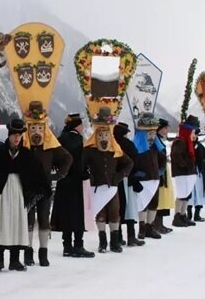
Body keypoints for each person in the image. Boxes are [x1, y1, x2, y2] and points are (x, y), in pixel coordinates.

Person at [0, 118, 49, 272]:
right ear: (9, 135)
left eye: (19, 135)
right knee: (1, 222)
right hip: (3, 192)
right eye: (14, 135)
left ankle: (14, 260)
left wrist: (37, 191)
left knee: (17, 223)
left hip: (19, 193)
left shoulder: (27, 155)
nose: (17, 138)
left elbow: (38, 175)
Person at [23, 101, 72, 266]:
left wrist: (58, 175)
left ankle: (43, 252)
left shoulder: (51, 145)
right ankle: (28, 252)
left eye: (39, 128)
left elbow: (67, 158)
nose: (36, 132)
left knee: (44, 219)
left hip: (44, 189)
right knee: (28, 220)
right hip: (27, 189)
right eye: (33, 128)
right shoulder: (24, 145)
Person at [82, 108, 134, 253]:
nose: (103, 138)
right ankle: (102, 242)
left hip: (112, 187)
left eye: (106, 135)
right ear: (96, 136)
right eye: (101, 135)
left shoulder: (115, 150)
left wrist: (119, 176)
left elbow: (129, 163)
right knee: (100, 214)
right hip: (96, 187)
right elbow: (81, 165)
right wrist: (89, 176)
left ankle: (115, 242)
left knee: (114, 214)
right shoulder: (89, 150)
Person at [51, 113, 94, 257]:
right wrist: (84, 173)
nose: (83, 128)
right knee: (77, 214)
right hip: (76, 181)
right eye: (81, 125)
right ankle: (78, 245)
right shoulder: (77, 139)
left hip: (63, 181)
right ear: (77, 126)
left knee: (66, 214)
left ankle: (67, 246)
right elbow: (80, 161)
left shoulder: (61, 137)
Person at [131, 113, 167, 238]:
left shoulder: (156, 147)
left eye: (153, 134)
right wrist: (137, 173)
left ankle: (149, 227)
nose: (152, 136)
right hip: (143, 180)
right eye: (149, 134)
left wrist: (161, 170)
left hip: (154, 179)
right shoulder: (136, 148)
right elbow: (132, 163)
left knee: (153, 204)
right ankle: (141, 227)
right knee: (143, 204)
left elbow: (163, 159)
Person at [113, 122, 144, 246]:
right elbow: (136, 161)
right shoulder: (128, 144)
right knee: (129, 207)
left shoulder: (112, 143)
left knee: (117, 208)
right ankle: (131, 236)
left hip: (115, 180)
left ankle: (118, 236)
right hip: (128, 179)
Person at [170, 116, 200, 228]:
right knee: (182, 194)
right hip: (182, 173)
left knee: (187, 195)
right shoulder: (180, 142)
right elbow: (176, 155)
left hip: (188, 173)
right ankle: (177, 216)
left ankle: (183, 215)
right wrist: (185, 165)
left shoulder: (187, 142)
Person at [153, 119, 174, 234]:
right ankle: (156, 224)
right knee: (160, 198)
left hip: (164, 170)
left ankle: (159, 223)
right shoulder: (156, 140)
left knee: (163, 197)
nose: (167, 130)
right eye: (165, 128)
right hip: (160, 171)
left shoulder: (159, 140)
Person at [187, 128, 205, 222]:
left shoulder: (199, 146)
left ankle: (197, 214)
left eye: (196, 135)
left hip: (198, 173)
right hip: (189, 173)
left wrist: (202, 165)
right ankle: (188, 215)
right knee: (190, 193)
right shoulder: (186, 145)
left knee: (199, 192)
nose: (194, 137)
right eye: (193, 134)